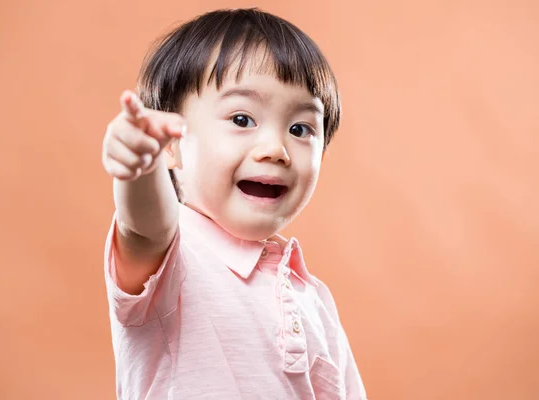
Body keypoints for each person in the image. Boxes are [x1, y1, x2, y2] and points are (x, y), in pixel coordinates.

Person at [101, 8, 367, 400]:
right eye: (242, 119)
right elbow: (145, 226)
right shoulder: (171, 261)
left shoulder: (313, 298)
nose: (276, 149)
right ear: (173, 145)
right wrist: (140, 167)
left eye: (300, 129)